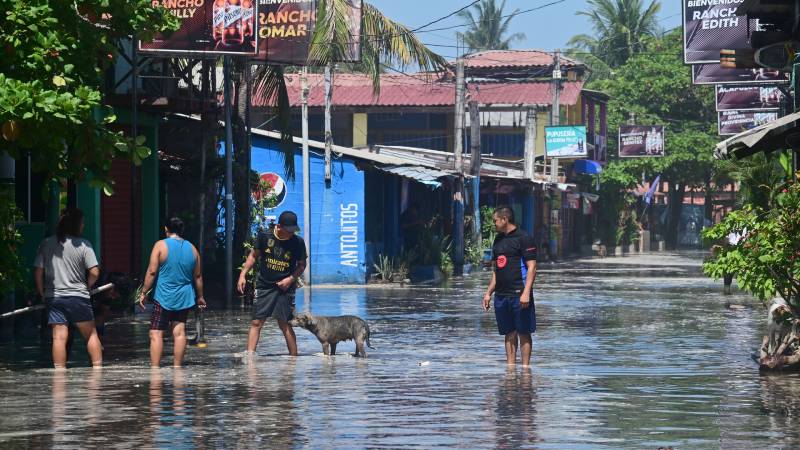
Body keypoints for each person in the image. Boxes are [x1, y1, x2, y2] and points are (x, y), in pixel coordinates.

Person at [34, 208, 103, 369]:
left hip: (54, 297)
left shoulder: (46, 243)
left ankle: (59, 374)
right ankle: (98, 372)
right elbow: (94, 271)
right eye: (82, 222)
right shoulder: (84, 245)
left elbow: (38, 271)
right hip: (78, 297)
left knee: (58, 337)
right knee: (91, 335)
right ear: (77, 224)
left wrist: (42, 292)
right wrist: (87, 286)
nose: (84, 226)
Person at [138, 217, 206, 368]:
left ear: (166, 229)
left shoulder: (160, 245)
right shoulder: (193, 249)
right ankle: (177, 368)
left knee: (156, 333)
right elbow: (198, 276)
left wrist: (143, 292)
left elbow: (152, 271)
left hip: (163, 296)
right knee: (180, 332)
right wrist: (200, 296)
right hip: (185, 297)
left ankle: (155, 369)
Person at [238, 210, 307, 356]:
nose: (291, 234)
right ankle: (250, 359)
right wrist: (242, 275)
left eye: (293, 231)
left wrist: (290, 279)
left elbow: (302, 265)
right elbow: (253, 256)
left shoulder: (298, 242)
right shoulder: (264, 236)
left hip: (285, 288)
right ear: (279, 226)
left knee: (284, 324)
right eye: (288, 231)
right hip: (264, 285)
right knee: (257, 322)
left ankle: (293, 361)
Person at [482, 206, 538, 367]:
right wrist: (488, 293)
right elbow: (496, 270)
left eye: (495, 220)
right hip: (501, 295)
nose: (494, 223)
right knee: (508, 332)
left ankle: (526, 369)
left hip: (519, 293)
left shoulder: (524, 238)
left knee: (523, 332)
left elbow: (532, 267)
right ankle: (511, 369)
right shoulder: (498, 240)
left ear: (505, 219)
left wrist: (526, 292)